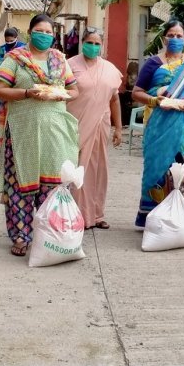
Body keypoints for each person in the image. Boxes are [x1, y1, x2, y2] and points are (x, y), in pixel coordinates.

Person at [0, 14, 79, 256]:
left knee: (53, 184)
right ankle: (21, 236)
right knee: (20, 183)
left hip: (55, 132)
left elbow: (75, 90)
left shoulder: (60, 60)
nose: (45, 35)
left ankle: (50, 233)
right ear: (29, 33)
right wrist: (28, 93)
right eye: (40, 31)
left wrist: (60, 94)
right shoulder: (15, 59)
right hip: (23, 132)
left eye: (49, 32)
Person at [131, 20, 184, 229]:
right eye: (171, 35)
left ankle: (178, 217)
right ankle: (151, 217)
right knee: (155, 169)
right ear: (164, 38)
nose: (175, 39)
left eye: (179, 36)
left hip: (182, 128)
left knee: (182, 169)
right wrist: (154, 100)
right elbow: (136, 92)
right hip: (157, 125)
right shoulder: (153, 64)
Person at [66, 27, 123, 230]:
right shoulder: (70, 65)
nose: (93, 46)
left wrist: (118, 128)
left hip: (100, 126)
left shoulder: (110, 69)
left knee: (98, 170)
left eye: (97, 43)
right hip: (74, 125)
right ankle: (74, 214)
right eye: (89, 42)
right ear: (82, 42)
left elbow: (114, 99)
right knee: (76, 169)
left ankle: (97, 214)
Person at [0, 29, 27, 148]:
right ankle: (3, 139)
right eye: (7, 40)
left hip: (19, 83)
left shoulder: (23, 48)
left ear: (16, 38)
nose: (9, 42)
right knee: (4, 113)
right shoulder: (2, 49)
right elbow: (0, 65)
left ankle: (17, 139)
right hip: (6, 82)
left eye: (11, 40)